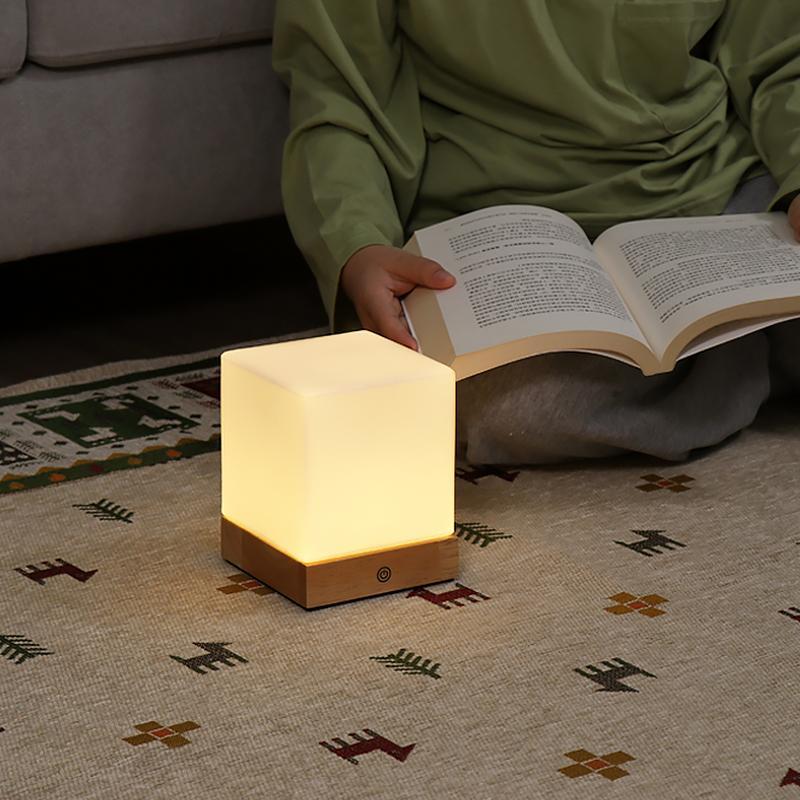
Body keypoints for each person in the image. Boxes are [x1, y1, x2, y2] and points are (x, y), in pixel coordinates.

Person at [271, 1, 800, 465]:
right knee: (515, 408)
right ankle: (753, 346)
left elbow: (782, 59)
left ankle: (714, 354)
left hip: (715, 190)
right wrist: (358, 245)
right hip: (495, 222)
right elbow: (336, 91)